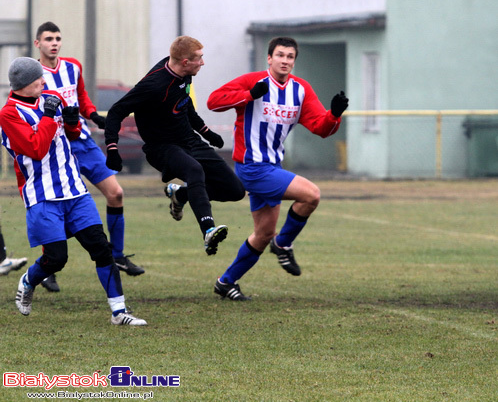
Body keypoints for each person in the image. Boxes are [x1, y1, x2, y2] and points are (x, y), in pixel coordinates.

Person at [0, 57, 146, 325]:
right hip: (42, 195)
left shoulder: (51, 96)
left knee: (101, 249)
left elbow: (73, 133)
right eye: (38, 80)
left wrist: (71, 122)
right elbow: (35, 148)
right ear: (23, 85)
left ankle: (119, 312)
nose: (44, 82)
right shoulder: (9, 114)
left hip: (75, 190)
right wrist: (47, 116)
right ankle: (28, 280)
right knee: (56, 259)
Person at [207, 36, 349, 300]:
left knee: (262, 234)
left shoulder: (301, 89)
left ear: (294, 61)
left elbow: (321, 128)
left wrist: (334, 115)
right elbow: (214, 101)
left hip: (273, 166)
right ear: (269, 58)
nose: (285, 60)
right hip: (252, 167)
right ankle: (283, 245)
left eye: (290, 57)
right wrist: (248, 95)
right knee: (311, 194)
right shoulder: (253, 82)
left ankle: (226, 282)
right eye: (280, 55)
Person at [104, 35, 245, 255]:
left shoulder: (185, 74)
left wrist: (207, 133)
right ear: (185, 61)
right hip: (161, 148)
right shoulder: (153, 85)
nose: (203, 63)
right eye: (199, 58)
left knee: (235, 190)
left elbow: (185, 106)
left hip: (189, 141)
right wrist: (112, 148)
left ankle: (181, 195)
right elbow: (115, 112)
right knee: (194, 170)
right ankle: (208, 230)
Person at [34, 21, 143, 294]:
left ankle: (117, 255)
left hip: (81, 141)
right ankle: (49, 268)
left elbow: (81, 97)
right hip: (54, 147)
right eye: (49, 38)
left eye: (58, 37)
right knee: (56, 204)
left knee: (116, 193)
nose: (54, 42)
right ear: (38, 43)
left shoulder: (72, 66)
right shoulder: (34, 74)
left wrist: (93, 115)